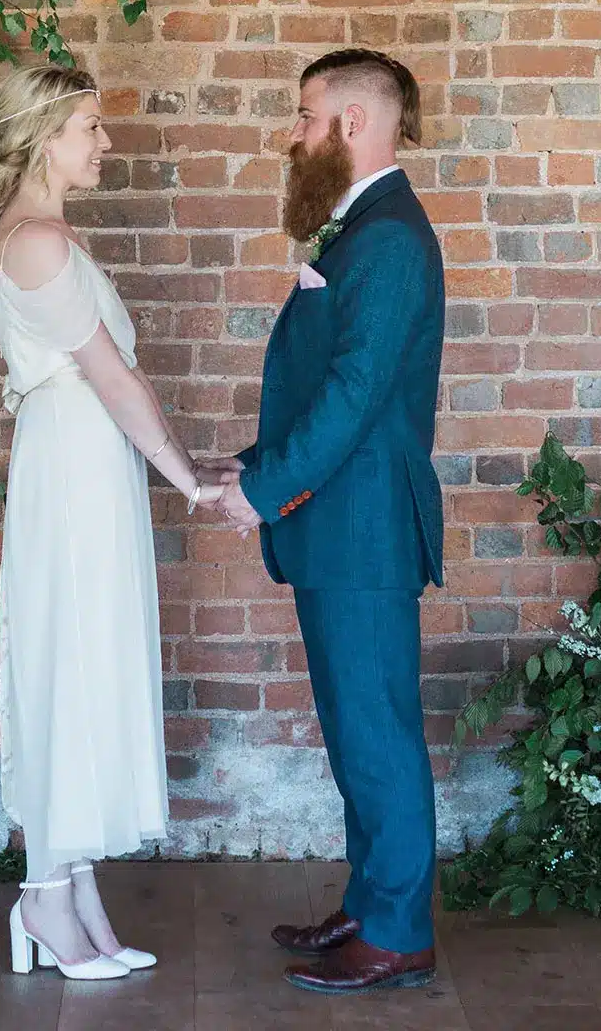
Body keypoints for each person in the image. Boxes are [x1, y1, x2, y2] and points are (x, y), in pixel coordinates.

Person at [0, 65, 222, 981]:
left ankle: (70, 890)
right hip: (72, 468)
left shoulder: (48, 234)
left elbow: (110, 382)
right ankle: (42, 895)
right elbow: (111, 377)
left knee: (84, 657)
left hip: (87, 462)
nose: (103, 144)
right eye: (88, 128)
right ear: (42, 136)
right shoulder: (36, 241)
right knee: (67, 663)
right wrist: (186, 482)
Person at [199, 48, 445, 994]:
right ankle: (374, 897)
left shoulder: (386, 239)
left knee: (376, 731)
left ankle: (397, 934)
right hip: (339, 525)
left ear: (351, 123)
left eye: (305, 116)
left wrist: (261, 495)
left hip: (364, 530)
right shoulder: (363, 230)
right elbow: (330, 398)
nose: (292, 133)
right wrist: (251, 465)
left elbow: (352, 399)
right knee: (355, 729)